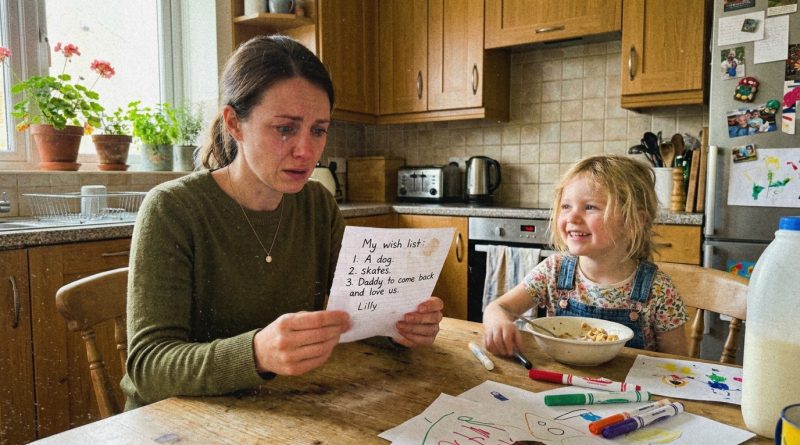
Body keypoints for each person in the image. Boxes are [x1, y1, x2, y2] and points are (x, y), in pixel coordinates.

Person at [122, 35, 444, 409]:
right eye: (285, 128)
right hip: (176, 422)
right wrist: (257, 353)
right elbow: (148, 368)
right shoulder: (172, 209)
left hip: (278, 408)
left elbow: (357, 314)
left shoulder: (317, 205)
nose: (306, 151)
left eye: (318, 130)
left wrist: (398, 327)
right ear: (234, 123)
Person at [482, 155, 688, 357]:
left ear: (633, 221)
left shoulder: (659, 289)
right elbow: (499, 307)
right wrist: (498, 322)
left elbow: (678, 362)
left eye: (590, 207)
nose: (572, 217)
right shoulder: (553, 270)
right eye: (566, 206)